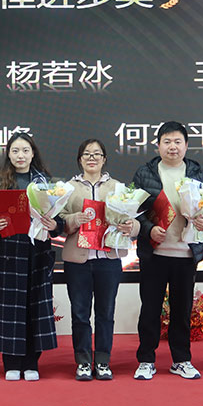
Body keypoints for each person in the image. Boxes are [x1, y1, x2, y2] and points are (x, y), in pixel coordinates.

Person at [132, 121, 203, 380]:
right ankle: (146, 360)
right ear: (158, 145)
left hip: (186, 253)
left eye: (178, 141)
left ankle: (181, 360)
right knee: (150, 309)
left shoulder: (196, 172)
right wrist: (148, 230)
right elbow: (132, 209)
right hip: (154, 253)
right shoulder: (145, 173)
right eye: (167, 141)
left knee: (181, 311)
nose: (173, 146)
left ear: (186, 145)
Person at [58, 139, 138, 381]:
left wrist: (131, 227)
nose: (91, 158)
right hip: (78, 261)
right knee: (80, 313)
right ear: (80, 159)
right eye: (87, 154)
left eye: (96, 154)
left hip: (108, 259)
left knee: (106, 312)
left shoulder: (118, 188)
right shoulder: (67, 188)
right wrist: (74, 219)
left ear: (104, 159)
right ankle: (83, 361)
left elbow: (134, 222)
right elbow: (58, 221)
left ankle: (103, 360)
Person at [0, 133, 60, 381]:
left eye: (25, 150)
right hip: (9, 254)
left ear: (33, 153)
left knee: (35, 307)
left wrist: (55, 225)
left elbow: (58, 219)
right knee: (10, 308)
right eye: (15, 150)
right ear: (8, 154)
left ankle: (31, 362)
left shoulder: (45, 183)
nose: (20, 155)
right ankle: (11, 363)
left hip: (38, 253)